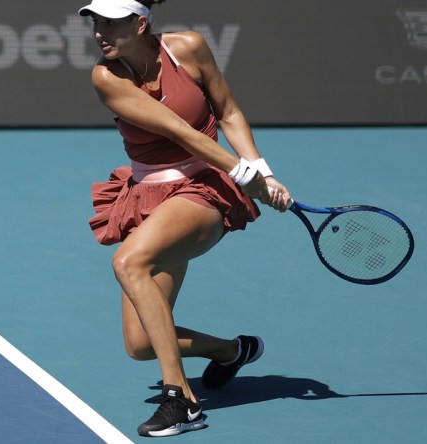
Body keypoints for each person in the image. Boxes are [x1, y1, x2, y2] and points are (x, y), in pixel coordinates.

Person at [78, 0, 292, 438]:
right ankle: (233, 351)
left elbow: (228, 111)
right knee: (140, 345)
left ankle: (181, 401)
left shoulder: (189, 47)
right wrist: (247, 175)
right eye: (96, 21)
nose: (100, 31)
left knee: (129, 262)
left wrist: (262, 171)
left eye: (112, 22)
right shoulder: (106, 76)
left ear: (140, 24)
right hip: (147, 195)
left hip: (202, 189)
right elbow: (181, 131)